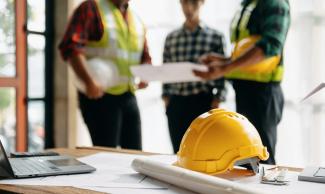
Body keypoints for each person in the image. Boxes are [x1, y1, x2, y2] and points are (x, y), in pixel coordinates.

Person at [194, 0, 290, 164]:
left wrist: (225, 67)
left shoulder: (275, 3)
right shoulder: (248, 4)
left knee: (262, 159)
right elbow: (247, 49)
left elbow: (270, 46)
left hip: (263, 93)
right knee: (248, 159)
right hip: (245, 90)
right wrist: (224, 60)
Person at [59, 0, 151, 150]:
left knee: (135, 153)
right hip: (99, 96)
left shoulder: (137, 20)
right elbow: (71, 47)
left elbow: (144, 55)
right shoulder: (91, 8)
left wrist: (146, 72)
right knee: (106, 156)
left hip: (128, 94)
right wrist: (89, 82)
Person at [162, 0, 227, 153]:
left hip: (204, 103)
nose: (188, 8)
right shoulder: (171, 38)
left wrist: (218, 99)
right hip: (177, 103)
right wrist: (166, 99)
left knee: (205, 152)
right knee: (178, 152)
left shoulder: (216, 36)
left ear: (202, 2)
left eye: (193, 3)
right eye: (184, 3)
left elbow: (222, 73)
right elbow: (166, 71)